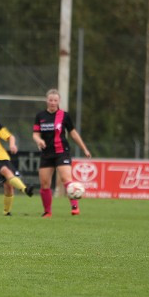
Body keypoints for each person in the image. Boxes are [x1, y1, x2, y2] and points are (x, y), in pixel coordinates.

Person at [32, 88, 92, 217]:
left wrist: (84, 148)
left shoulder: (64, 115)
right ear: (46, 100)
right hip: (46, 153)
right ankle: (47, 212)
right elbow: (35, 134)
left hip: (61, 152)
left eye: (55, 100)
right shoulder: (40, 116)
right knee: (45, 184)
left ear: (59, 101)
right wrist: (39, 141)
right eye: (50, 100)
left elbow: (73, 133)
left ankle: (75, 207)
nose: (53, 102)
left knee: (66, 178)